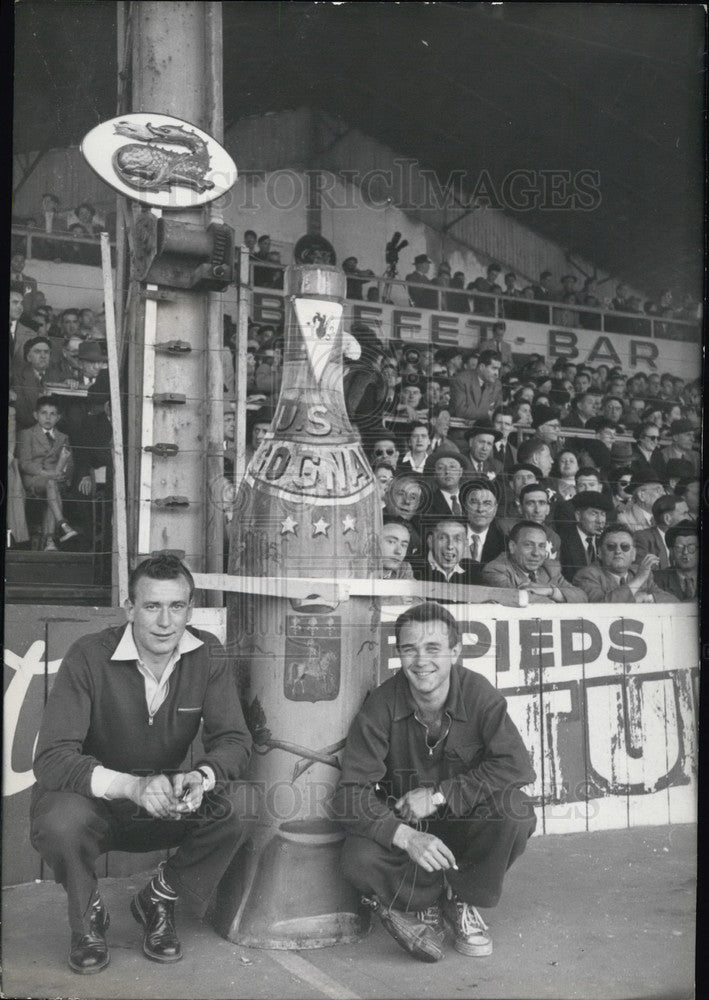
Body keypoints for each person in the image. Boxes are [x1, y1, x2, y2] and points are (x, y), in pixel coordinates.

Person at [30, 555, 253, 974]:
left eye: (177, 607)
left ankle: (159, 898)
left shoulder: (207, 654)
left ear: (190, 608)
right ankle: (88, 917)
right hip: (95, 806)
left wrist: (200, 778)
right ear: (129, 607)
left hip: (164, 802)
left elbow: (234, 741)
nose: (166, 621)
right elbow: (52, 757)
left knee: (242, 803)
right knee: (58, 820)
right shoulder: (88, 655)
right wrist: (130, 786)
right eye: (152, 606)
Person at [333, 602, 536, 963]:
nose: (421, 661)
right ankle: (426, 900)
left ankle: (461, 898)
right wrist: (406, 836)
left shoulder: (478, 694)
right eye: (409, 649)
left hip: (464, 824)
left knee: (515, 811)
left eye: (433, 649)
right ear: (398, 653)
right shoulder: (380, 704)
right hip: (409, 830)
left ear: (455, 651)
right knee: (356, 858)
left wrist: (441, 795)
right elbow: (349, 796)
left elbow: (517, 765)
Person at [17, 395, 78, 550]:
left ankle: (53, 538)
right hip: (34, 479)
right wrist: (48, 474)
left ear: (58, 418)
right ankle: (60, 529)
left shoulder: (63, 437)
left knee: (53, 488)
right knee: (52, 485)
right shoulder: (27, 434)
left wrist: (64, 474)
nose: (48, 417)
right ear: (36, 415)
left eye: (52, 414)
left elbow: (69, 464)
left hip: (56, 480)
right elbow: (24, 464)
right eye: (44, 413)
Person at [482, 521, 587, 603]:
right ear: (512, 547)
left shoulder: (549, 568)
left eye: (541, 546)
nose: (536, 553)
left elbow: (581, 596)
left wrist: (550, 591)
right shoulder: (496, 569)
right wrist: (557, 598)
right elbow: (521, 599)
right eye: (528, 545)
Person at [573, 526, 677, 603]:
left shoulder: (639, 572)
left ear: (634, 554)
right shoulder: (586, 575)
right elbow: (601, 607)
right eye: (611, 546)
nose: (618, 551)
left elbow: (673, 602)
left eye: (625, 546)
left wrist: (648, 598)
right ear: (599, 552)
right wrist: (638, 580)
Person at [415, 515, 483, 585]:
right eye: (443, 538)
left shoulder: (476, 572)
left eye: (457, 539)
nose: (450, 546)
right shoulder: (412, 569)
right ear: (430, 541)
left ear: (465, 545)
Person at [449, 349, 503, 424]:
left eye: (498, 369)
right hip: (462, 430)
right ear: (481, 367)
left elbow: (498, 413)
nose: (497, 373)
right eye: (494, 368)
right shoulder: (461, 380)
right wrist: (487, 414)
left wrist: (475, 418)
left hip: (486, 430)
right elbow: (461, 412)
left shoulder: (497, 384)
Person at [653, 521, 698, 601]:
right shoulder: (656, 579)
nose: (685, 552)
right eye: (679, 547)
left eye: (691, 547)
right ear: (671, 552)